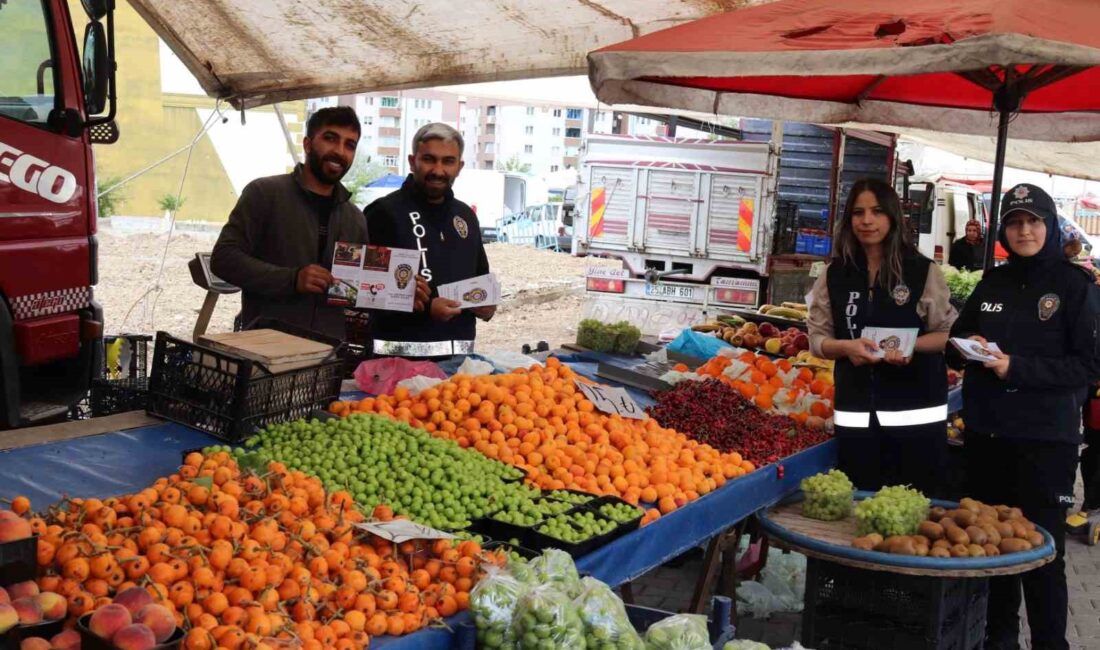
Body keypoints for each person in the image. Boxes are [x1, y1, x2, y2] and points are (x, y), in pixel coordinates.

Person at [949, 183, 1100, 650]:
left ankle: (1051, 642)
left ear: (1050, 226)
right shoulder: (992, 281)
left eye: (1034, 221)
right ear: (1004, 230)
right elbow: (962, 331)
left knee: (1041, 553)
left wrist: (1016, 366)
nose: (1025, 230)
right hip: (986, 437)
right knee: (991, 546)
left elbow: (1089, 364)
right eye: (1015, 222)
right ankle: (999, 640)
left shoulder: (1075, 287)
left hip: (1043, 443)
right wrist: (969, 346)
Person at [211, 106, 429, 340]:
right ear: (307, 144)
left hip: (327, 358)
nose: (339, 151)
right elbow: (224, 258)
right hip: (265, 351)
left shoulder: (354, 217)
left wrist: (403, 293)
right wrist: (292, 279)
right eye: (330, 139)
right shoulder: (265, 194)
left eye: (349, 145)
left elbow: (357, 292)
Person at [807, 178, 956, 496]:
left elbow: (948, 334)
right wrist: (846, 347)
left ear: (892, 216)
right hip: (857, 420)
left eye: (876, 211)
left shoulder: (922, 271)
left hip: (916, 421)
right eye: (858, 213)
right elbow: (818, 340)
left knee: (914, 515)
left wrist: (909, 347)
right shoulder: (835, 275)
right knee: (860, 511)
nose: (867, 220)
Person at [364, 123, 493, 358]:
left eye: (448, 161)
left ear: (459, 166)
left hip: (460, 374)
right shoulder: (383, 213)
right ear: (413, 162)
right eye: (429, 159)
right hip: (397, 369)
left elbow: (481, 280)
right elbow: (359, 289)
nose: (438, 170)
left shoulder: (466, 216)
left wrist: (487, 304)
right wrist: (423, 309)